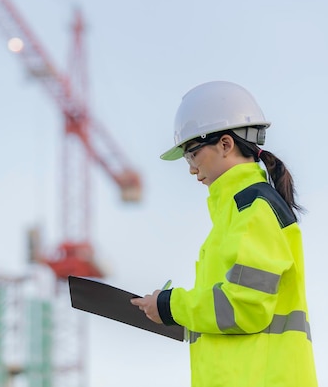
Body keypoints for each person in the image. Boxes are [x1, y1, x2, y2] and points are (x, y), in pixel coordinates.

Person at [131, 81, 317, 387]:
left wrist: (171, 305)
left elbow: (243, 307)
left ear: (226, 144)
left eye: (192, 154)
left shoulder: (253, 211)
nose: (191, 169)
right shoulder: (238, 214)